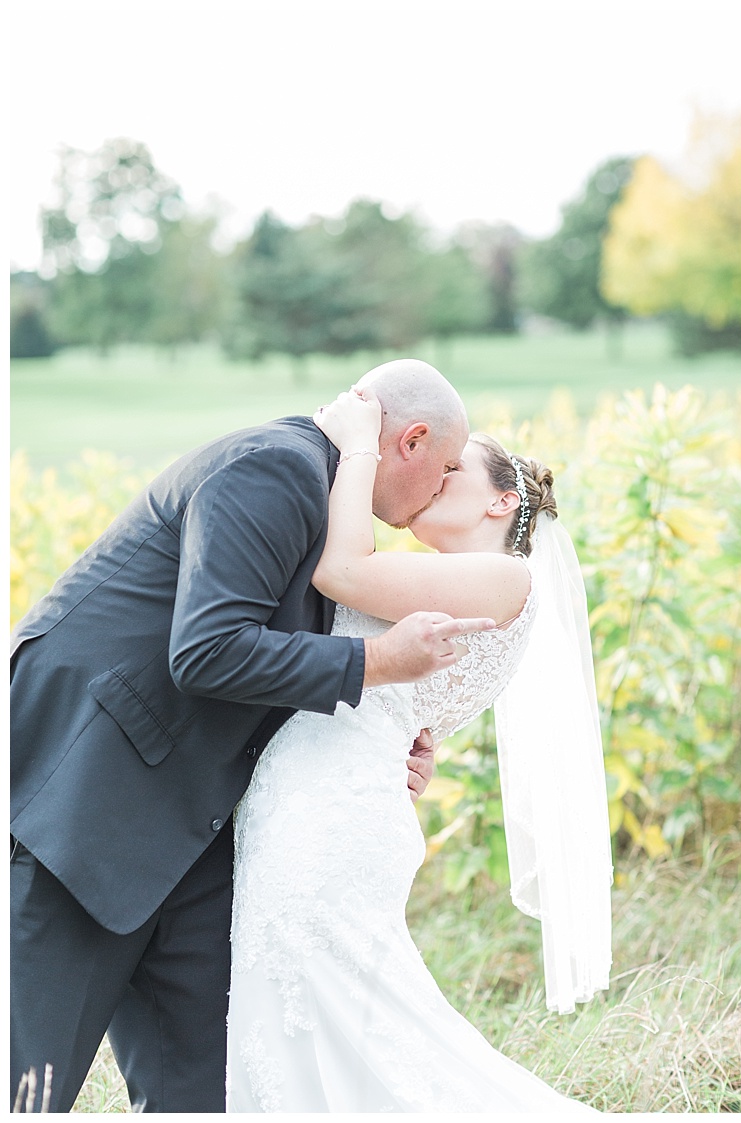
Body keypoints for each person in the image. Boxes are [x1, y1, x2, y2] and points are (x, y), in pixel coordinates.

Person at [10, 359, 491, 1113]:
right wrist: (376, 662)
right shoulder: (275, 470)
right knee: (26, 1083)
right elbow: (206, 649)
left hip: (195, 832)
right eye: (448, 466)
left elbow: (272, 665)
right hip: (87, 806)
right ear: (413, 440)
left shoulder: (333, 510)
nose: (446, 484)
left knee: (207, 1089)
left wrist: (373, 745)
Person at [227, 387, 611, 1111]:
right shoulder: (452, 578)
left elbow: (340, 573)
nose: (433, 477)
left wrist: (360, 442)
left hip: (330, 818)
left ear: (501, 503)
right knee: (313, 1027)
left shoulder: (505, 576)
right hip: (317, 802)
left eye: (453, 470)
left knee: (357, 1035)